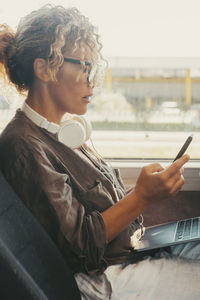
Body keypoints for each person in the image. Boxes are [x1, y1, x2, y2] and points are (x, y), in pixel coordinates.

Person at [0, 4, 199, 300]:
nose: (92, 80)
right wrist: (142, 196)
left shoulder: (66, 133)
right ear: (43, 68)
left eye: (94, 67)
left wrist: (145, 192)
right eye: (83, 66)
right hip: (98, 277)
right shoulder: (24, 146)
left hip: (125, 253)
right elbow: (82, 248)